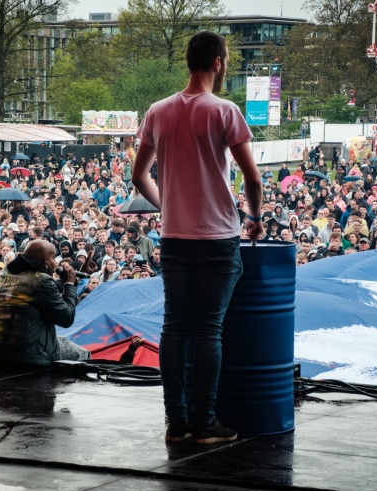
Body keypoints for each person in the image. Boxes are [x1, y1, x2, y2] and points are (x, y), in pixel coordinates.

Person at [132, 31, 264, 444]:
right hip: (218, 236)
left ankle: (177, 423)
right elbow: (252, 178)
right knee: (208, 331)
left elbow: (139, 176)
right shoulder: (225, 111)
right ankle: (205, 423)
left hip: (174, 236)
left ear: (189, 61)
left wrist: (166, 206)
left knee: (174, 329)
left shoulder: (157, 111)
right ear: (219, 63)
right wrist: (255, 216)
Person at [0, 239, 89, 368]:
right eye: (53, 258)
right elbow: (66, 318)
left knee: (62, 341)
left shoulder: (5, 274)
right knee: (81, 353)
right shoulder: (41, 280)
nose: (56, 263)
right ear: (45, 261)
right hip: (27, 357)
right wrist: (69, 284)